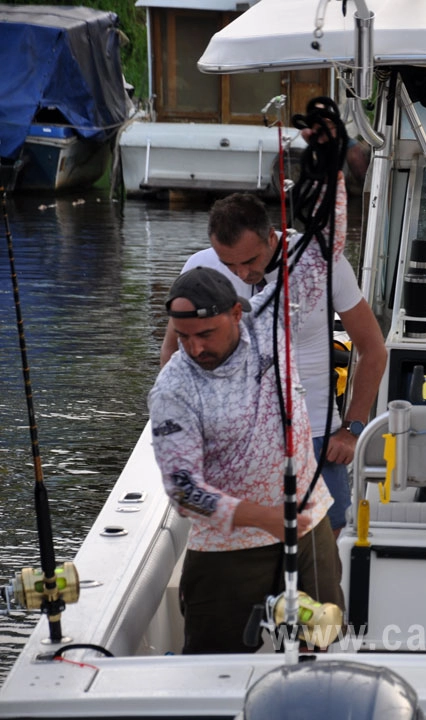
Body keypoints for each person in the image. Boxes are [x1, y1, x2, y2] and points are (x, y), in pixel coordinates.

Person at [149, 173, 348, 653]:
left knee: (323, 645)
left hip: (308, 523)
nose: (194, 348)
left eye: (206, 334)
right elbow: (183, 490)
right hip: (226, 552)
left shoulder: (273, 320)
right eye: (183, 337)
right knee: (211, 667)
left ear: (237, 314)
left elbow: (328, 246)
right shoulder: (173, 388)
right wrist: (261, 516)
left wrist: (332, 165)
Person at [160, 193, 386, 540]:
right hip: (234, 434)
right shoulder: (200, 269)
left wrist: (353, 429)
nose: (241, 273)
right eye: (229, 264)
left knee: (326, 534)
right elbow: (173, 353)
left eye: (249, 261)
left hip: (313, 430)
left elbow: (373, 350)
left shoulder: (321, 264)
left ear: (271, 236)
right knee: (249, 536)